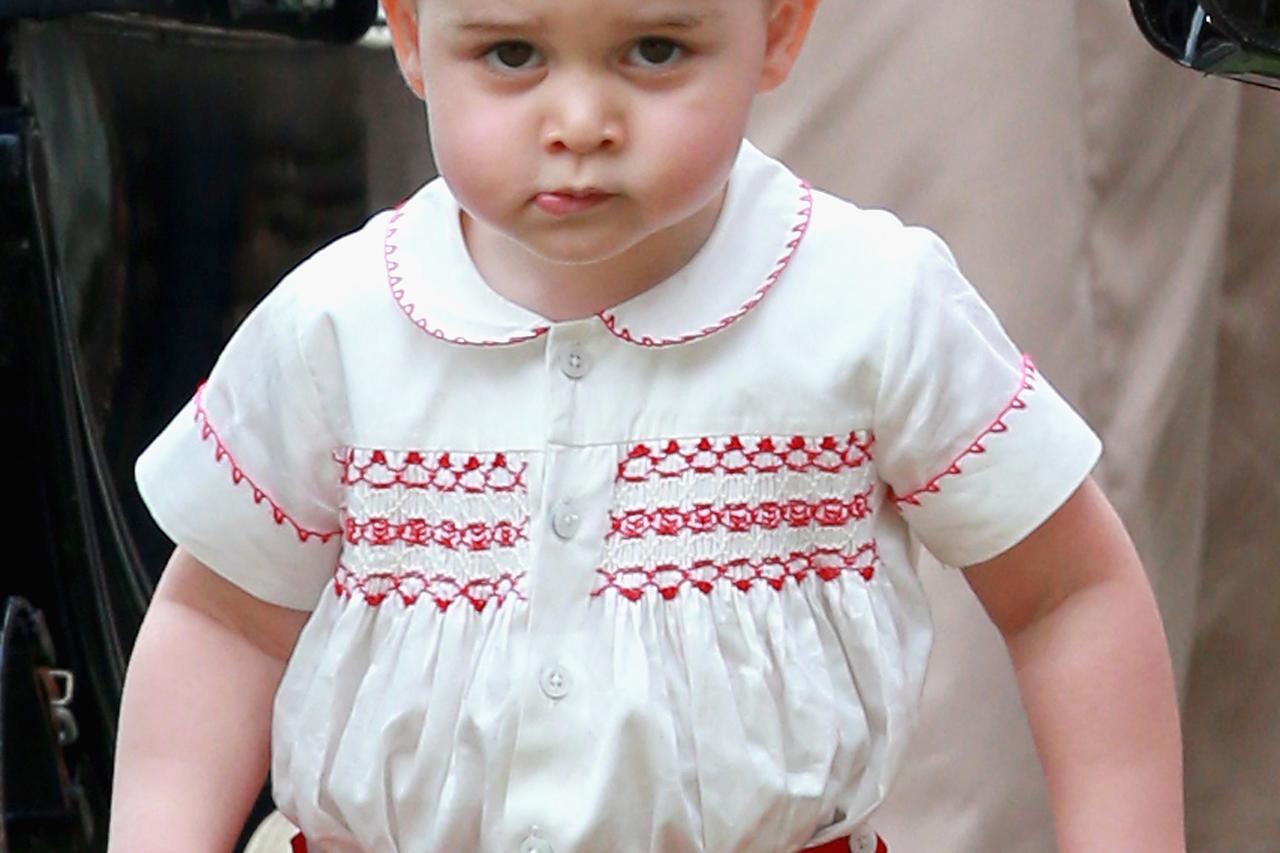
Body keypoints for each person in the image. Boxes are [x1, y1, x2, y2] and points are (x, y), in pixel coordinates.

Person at [107, 0, 1185, 850]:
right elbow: (224, 622)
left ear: (776, 29)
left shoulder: (868, 307)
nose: (579, 122)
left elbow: (1063, 590)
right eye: (512, 53)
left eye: (655, 49)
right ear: (412, 36)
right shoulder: (336, 324)